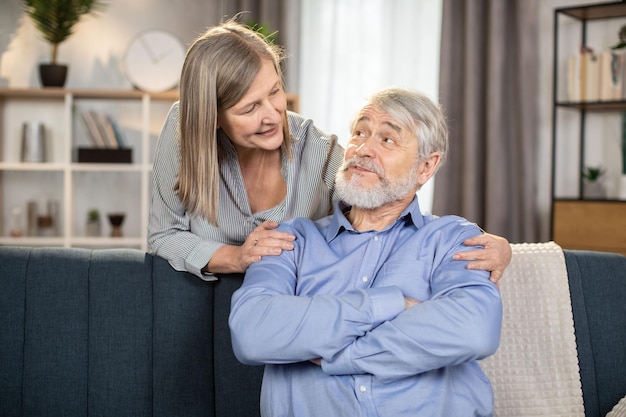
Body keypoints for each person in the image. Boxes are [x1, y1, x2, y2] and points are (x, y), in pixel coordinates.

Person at [147, 19, 511, 282]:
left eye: (274, 92)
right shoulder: (184, 130)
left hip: (289, 305)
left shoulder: (318, 151)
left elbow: (388, 209)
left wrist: (475, 240)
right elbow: (164, 235)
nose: (273, 115)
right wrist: (236, 258)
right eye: (249, 108)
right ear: (212, 118)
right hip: (196, 305)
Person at [229, 88, 503, 416]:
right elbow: (252, 332)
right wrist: (390, 304)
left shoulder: (452, 240)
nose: (363, 149)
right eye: (359, 133)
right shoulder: (290, 240)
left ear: (426, 167)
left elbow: (474, 330)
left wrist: (333, 351)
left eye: (387, 140)